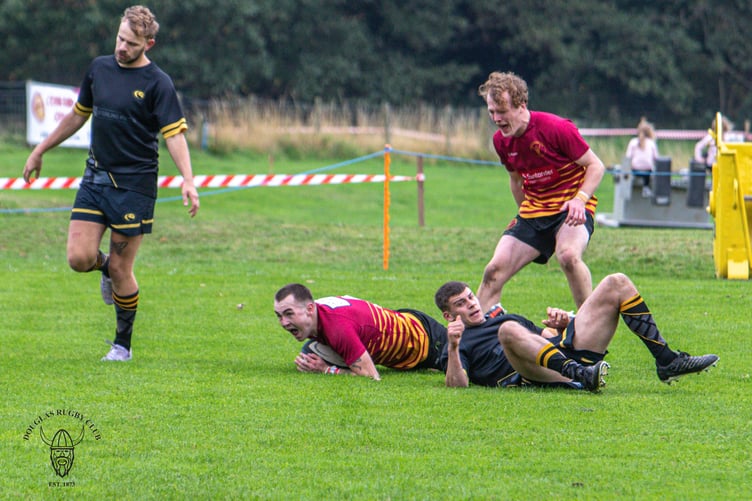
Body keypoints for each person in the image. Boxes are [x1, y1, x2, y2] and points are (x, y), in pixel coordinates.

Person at [22, 6, 200, 361]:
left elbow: (175, 136)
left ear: (148, 44)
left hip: (134, 186)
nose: (122, 47)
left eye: (131, 43)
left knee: (123, 269)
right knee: (78, 258)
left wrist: (188, 180)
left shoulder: (158, 84)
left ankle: (122, 346)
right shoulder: (99, 68)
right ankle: (105, 267)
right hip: (95, 178)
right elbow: (77, 115)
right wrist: (40, 150)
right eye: (120, 38)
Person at [434, 273, 718, 390]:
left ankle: (667, 360)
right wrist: (456, 345)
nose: (472, 304)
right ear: (449, 315)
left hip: (564, 355)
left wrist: (562, 326)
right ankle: (581, 376)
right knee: (508, 330)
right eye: (461, 304)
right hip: (530, 374)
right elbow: (458, 385)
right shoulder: (455, 342)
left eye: (471, 296)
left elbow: (542, 340)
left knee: (616, 282)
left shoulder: (502, 315)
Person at [476, 71, 606, 314]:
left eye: (501, 112)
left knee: (567, 256)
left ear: (521, 105)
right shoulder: (501, 141)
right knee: (494, 270)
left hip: (571, 208)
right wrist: (524, 213)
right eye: (492, 112)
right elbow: (515, 180)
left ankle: (589, 331)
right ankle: (471, 342)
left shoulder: (556, 128)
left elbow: (596, 166)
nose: (496, 118)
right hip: (534, 211)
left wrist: (580, 200)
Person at [273, 283, 447, 380]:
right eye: (279, 316)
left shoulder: (339, 329)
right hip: (401, 322)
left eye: (289, 314)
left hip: (427, 341)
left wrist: (326, 369)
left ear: (310, 309)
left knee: (470, 360)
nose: (284, 323)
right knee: (308, 352)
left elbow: (372, 377)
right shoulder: (315, 313)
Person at [625, 118, 659, 197]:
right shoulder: (651, 143)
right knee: (648, 168)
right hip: (648, 172)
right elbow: (656, 158)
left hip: (635, 171)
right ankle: (646, 187)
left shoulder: (633, 142)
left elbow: (628, 157)